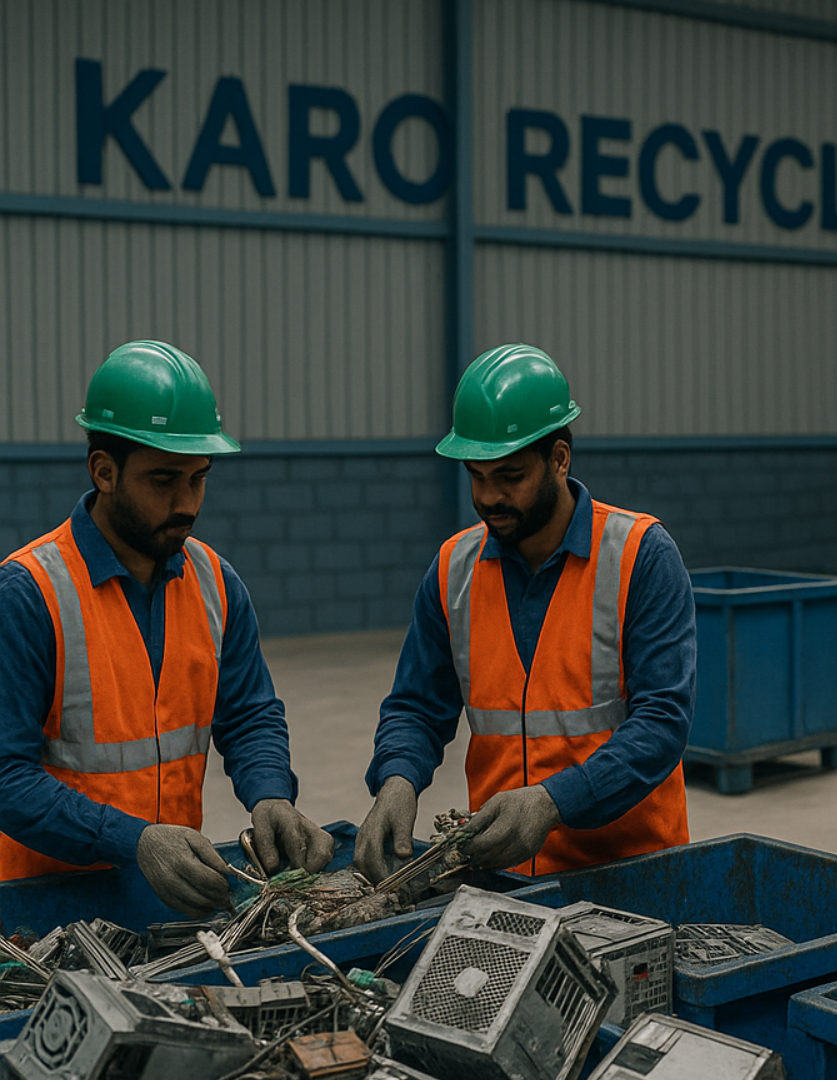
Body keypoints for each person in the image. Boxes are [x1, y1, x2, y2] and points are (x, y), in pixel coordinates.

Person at [0, 341, 332, 913]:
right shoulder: (29, 595)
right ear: (104, 471)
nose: (186, 503)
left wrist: (271, 794)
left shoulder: (215, 583)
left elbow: (249, 714)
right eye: (163, 481)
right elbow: (5, 776)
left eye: (198, 479)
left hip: (170, 898)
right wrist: (131, 840)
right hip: (44, 908)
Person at [356, 344, 694, 879]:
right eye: (476, 475)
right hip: (501, 876)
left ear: (559, 458)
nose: (489, 496)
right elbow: (417, 707)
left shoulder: (640, 557)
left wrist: (553, 802)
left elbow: (661, 725)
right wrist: (396, 780)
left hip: (630, 873)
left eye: (509, 475)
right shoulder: (453, 570)